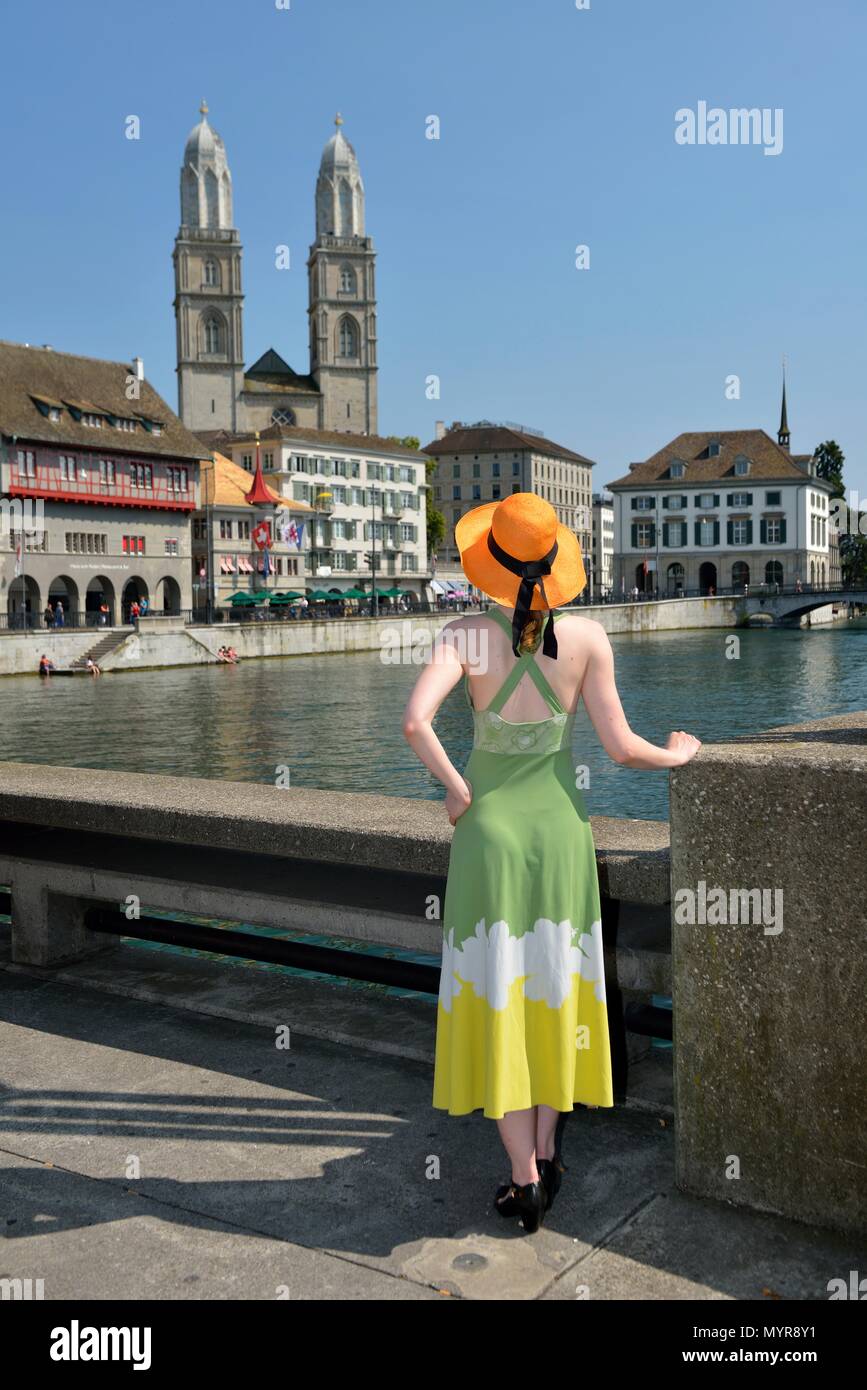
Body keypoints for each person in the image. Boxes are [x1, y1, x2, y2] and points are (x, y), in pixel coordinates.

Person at [402, 493, 701, 1235]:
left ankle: (523, 1177)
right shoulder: (590, 637)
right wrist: (681, 755)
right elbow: (624, 749)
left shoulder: (467, 635)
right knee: (550, 993)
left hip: (489, 836)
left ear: (489, 561)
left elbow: (414, 722)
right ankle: (544, 1153)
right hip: (561, 835)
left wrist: (458, 786)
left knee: (499, 993)